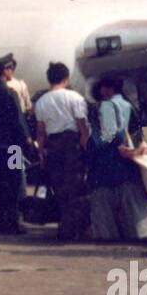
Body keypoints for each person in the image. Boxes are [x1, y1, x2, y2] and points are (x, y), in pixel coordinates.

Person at [88, 75, 147, 242]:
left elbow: (99, 141)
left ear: (108, 89)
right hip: (130, 172)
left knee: (105, 227)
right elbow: (144, 134)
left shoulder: (101, 108)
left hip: (103, 174)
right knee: (137, 225)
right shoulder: (131, 107)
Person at [34, 62, 90, 242]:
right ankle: (77, 229)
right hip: (72, 144)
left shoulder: (41, 102)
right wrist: (84, 148)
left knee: (60, 189)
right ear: (66, 79)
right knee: (76, 188)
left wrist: (42, 151)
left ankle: (65, 228)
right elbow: (83, 128)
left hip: (53, 145)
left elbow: (40, 132)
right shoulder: (75, 98)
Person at [0, 54, 33, 235]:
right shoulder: (10, 93)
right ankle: (14, 223)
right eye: (11, 69)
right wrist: (27, 141)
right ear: (6, 70)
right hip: (13, 147)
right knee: (15, 183)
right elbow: (18, 120)